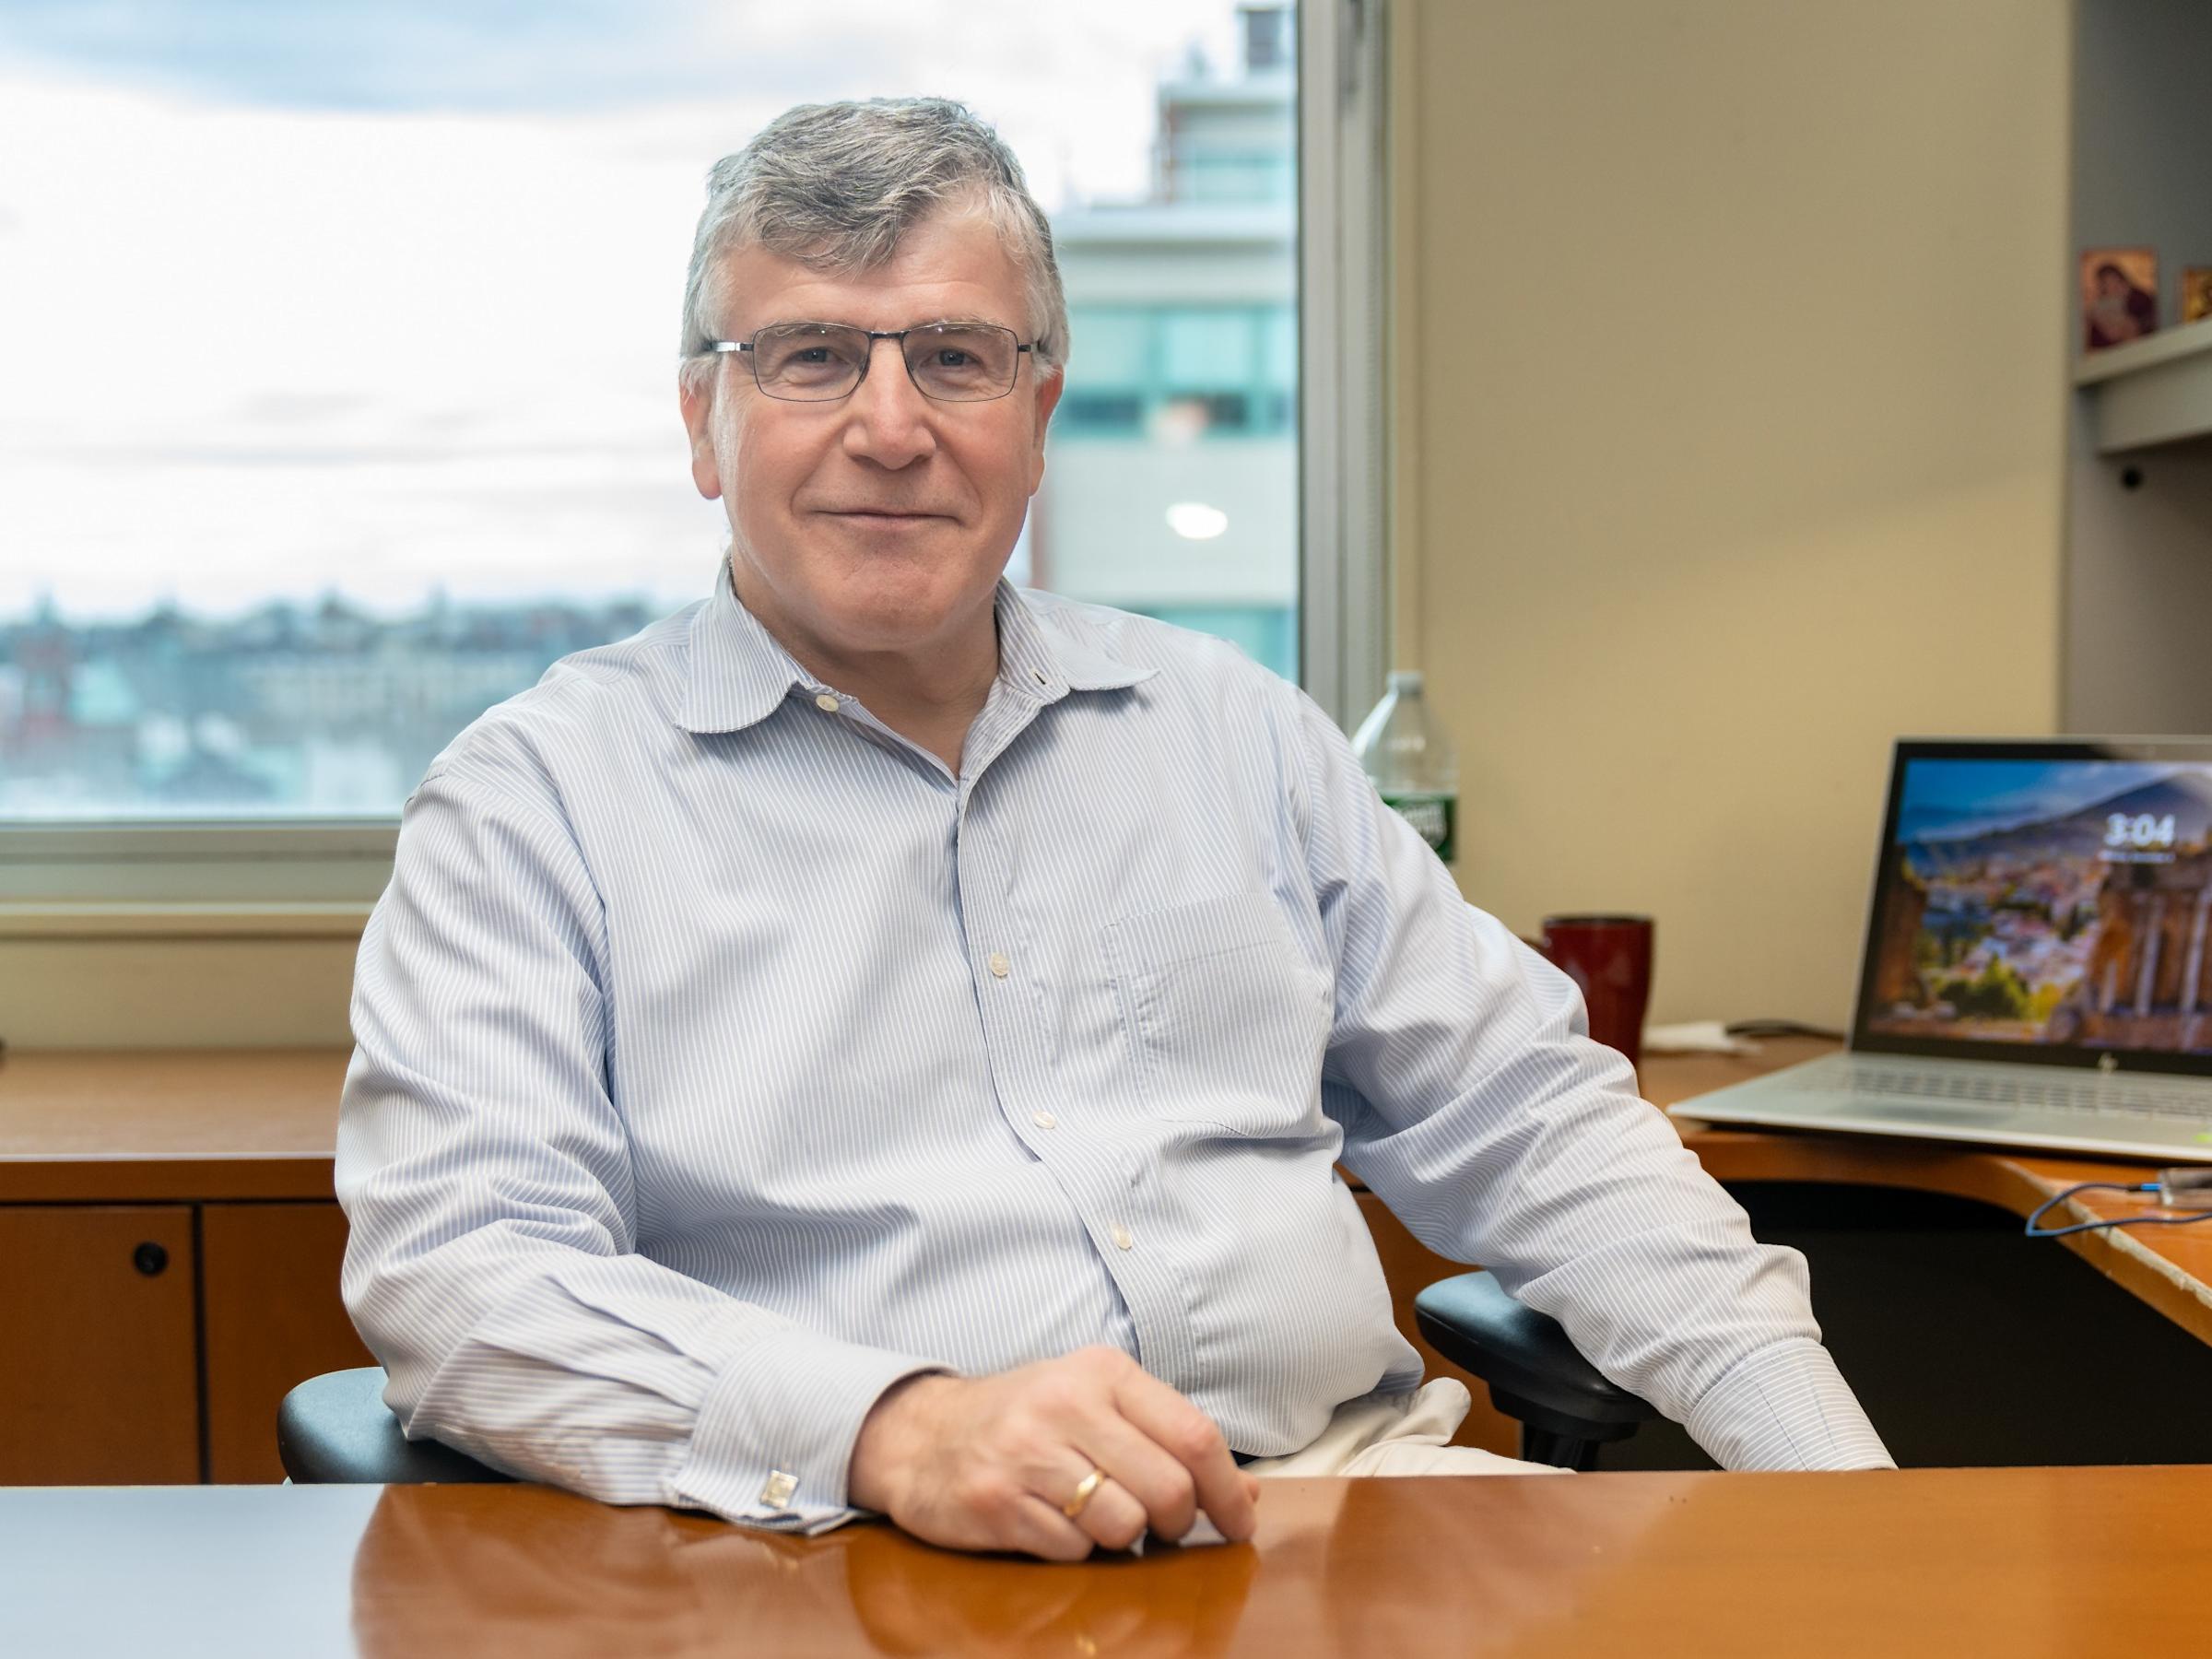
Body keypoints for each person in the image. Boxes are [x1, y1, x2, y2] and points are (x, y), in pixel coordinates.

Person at [337, 97, 1892, 1563]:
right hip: (830, 1548)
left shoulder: (1234, 733)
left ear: (1039, 409)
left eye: (955, 357)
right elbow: (466, 1279)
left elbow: (1536, 1124)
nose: (891, 426)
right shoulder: (532, 802)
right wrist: (896, 1428)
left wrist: (1850, 1503)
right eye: (810, 356)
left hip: (1352, 1519)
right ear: (703, 421)